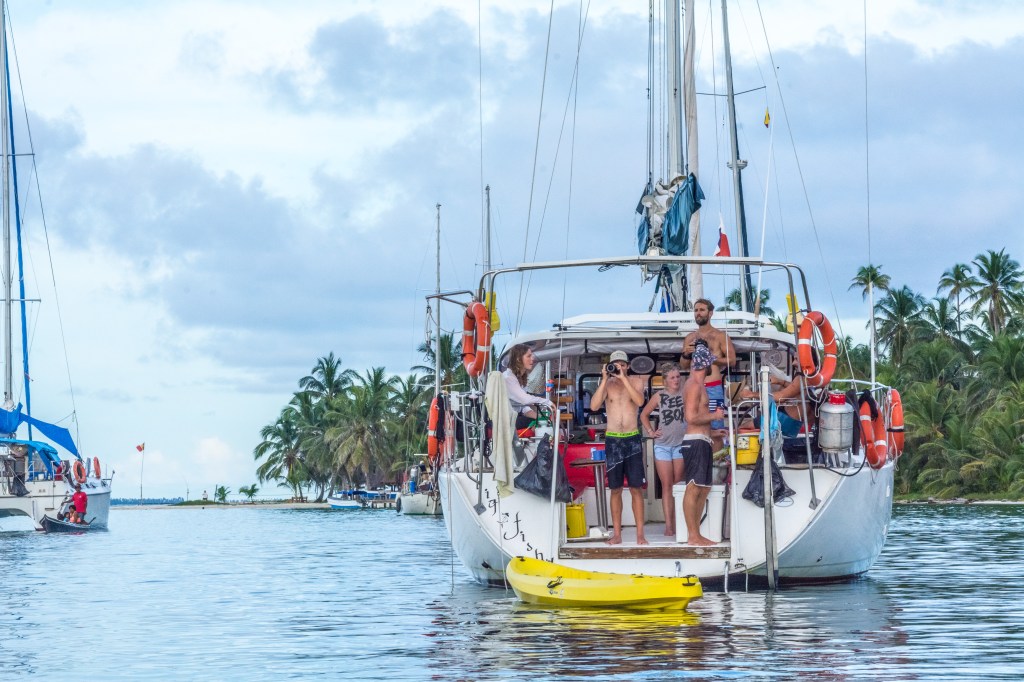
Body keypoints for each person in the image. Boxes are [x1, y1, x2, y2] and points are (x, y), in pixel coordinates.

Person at [590, 350, 648, 545]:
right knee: (615, 489)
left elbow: (639, 401)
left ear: (628, 366)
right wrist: (604, 379)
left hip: (632, 439)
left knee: (636, 488)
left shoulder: (636, 382)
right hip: (613, 440)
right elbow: (594, 406)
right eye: (615, 365)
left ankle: (640, 534)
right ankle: (617, 534)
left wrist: (623, 379)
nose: (619, 368)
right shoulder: (606, 384)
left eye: (622, 365)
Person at [680, 344, 726, 546]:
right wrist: (715, 416)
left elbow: (698, 416)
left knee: (704, 488)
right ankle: (692, 536)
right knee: (693, 488)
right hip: (695, 442)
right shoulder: (694, 386)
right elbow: (690, 417)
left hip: (704, 440)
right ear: (705, 364)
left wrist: (714, 431)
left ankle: (696, 533)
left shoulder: (699, 386)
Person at [640, 364, 687, 537]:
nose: (676, 380)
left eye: (678, 376)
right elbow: (643, 414)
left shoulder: (685, 393)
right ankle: (668, 525)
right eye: (673, 377)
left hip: (681, 444)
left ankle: (679, 521)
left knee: (678, 484)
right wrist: (651, 432)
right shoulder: (659, 396)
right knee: (666, 485)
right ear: (665, 380)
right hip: (662, 445)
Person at [679, 298, 737, 437]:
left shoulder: (720, 336)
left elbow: (732, 360)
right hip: (693, 387)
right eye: (696, 310)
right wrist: (686, 354)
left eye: (702, 310)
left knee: (716, 429)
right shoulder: (689, 338)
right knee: (692, 424)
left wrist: (709, 358)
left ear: (710, 313)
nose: (698, 313)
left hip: (713, 387)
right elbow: (683, 365)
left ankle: (717, 459)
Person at [503, 344, 555, 430]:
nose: (532, 358)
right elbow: (525, 400)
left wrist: (541, 418)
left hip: (513, 418)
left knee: (543, 423)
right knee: (539, 427)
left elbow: (523, 407)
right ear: (518, 359)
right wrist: (547, 402)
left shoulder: (518, 378)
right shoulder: (508, 378)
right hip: (505, 421)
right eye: (529, 356)